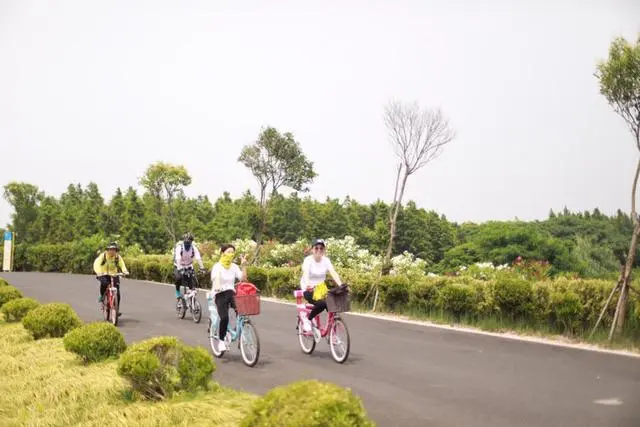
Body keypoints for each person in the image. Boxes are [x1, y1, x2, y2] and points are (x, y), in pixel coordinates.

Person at [299, 238, 343, 334]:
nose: (319, 250)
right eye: (316, 248)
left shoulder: (326, 260)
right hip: (308, 289)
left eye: (321, 248)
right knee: (322, 304)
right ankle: (308, 318)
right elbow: (306, 273)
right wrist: (308, 285)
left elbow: (333, 272)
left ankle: (333, 334)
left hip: (321, 288)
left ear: (324, 250)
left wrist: (341, 284)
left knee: (332, 307)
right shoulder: (308, 260)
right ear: (312, 250)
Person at [210, 244, 248, 351]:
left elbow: (243, 278)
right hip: (220, 294)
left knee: (241, 311)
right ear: (222, 253)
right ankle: (221, 341)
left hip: (231, 292)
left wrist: (244, 265)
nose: (231, 254)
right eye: (228, 252)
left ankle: (237, 330)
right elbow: (216, 278)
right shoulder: (217, 266)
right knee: (224, 318)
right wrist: (217, 287)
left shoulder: (234, 266)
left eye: (232, 252)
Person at [93, 242, 129, 315]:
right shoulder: (103, 256)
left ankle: (116, 309)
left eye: (114, 250)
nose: (112, 251)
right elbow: (96, 264)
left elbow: (122, 265)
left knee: (117, 292)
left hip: (114, 274)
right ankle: (103, 297)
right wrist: (99, 272)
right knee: (104, 283)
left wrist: (125, 271)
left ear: (116, 250)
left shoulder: (117, 257)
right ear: (107, 250)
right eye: (110, 249)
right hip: (103, 274)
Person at [174, 232, 206, 298]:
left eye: (189, 242)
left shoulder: (194, 248)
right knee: (178, 278)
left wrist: (202, 268)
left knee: (191, 280)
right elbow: (178, 259)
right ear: (183, 241)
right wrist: (180, 269)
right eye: (186, 242)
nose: (187, 244)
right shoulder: (179, 248)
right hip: (179, 265)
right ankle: (177, 292)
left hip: (189, 265)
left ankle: (191, 299)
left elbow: (198, 258)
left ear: (191, 242)